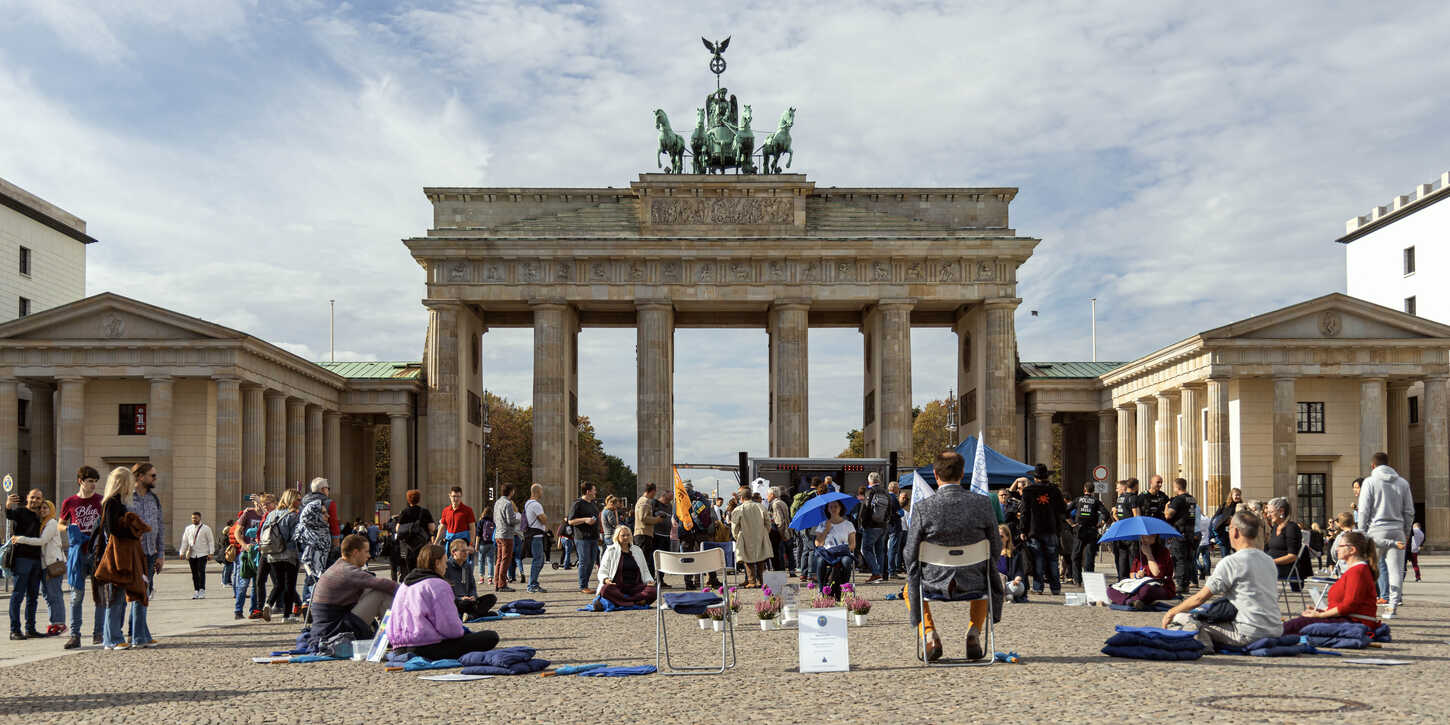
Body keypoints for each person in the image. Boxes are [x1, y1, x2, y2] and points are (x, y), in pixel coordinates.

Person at [905, 451, 1003, 662]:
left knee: (908, 589)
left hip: (934, 581)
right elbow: (996, 545)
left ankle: (930, 634)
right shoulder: (983, 504)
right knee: (987, 576)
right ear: (962, 474)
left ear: (935, 474)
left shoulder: (923, 508)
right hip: (974, 580)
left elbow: (909, 552)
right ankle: (974, 632)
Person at [1163, 510, 1282, 651]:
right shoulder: (1268, 561)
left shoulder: (1232, 562)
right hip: (1275, 630)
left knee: (1183, 618)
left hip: (1248, 631)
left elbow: (1200, 598)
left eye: (1229, 528)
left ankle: (1203, 646)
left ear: (1235, 532)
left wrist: (1172, 612)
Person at [390, 544, 499, 660]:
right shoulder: (438, 584)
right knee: (490, 637)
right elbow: (450, 628)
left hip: (399, 646)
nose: (446, 566)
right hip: (426, 646)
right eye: (444, 562)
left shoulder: (404, 585)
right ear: (437, 563)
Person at [92, 467, 152, 650]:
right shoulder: (112, 502)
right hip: (115, 556)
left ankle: (126, 637)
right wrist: (133, 528)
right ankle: (112, 639)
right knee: (115, 597)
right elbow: (113, 530)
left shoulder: (118, 502)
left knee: (126, 594)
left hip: (123, 555)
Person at [308, 534, 398, 651]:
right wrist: (410, 592)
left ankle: (391, 635)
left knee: (374, 590)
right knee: (380, 593)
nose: (369, 555)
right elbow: (385, 584)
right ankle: (396, 636)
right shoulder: (347, 571)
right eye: (366, 552)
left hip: (325, 628)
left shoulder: (338, 566)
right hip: (334, 630)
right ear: (355, 552)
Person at [1281, 530, 1380, 635]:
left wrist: (1320, 615)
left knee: (1296, 625)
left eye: (1340, 546)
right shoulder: (1355, 570)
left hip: (1354, 622)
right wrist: (1321, 611)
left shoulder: (1358, 571)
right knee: (1299, 622)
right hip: (1348, 619)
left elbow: (1349, 605)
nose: (1337, 549)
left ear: (1352, 550)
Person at [1358, 452, 1415, 618]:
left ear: (1373, 466)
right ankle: (1392, 607)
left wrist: (1362, 531)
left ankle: (1365, 606)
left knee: (1368, 569)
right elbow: (1409, 511)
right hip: (1397, 529)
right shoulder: (1403, 483)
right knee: (1396, 570)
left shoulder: (1369, 482)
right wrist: (1404, 532)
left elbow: (1363, 510)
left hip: (1375, 530)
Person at [59, 465, 104, 648]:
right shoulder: (70, 502)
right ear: (80, 481)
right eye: (89, 481)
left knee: (99, 595)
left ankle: (99, 633)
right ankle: (75, 634)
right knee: (76, 595)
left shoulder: (101, 501)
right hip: (78, 552)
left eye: (95, 481)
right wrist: (71, 529)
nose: (92, 485)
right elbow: (60, 524)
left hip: (96, 552)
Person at [1019, 464, 1067, 596]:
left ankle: (1038, 587)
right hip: (1051, 529)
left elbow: (1024, 512)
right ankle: (1055, 588)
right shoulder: (1054, 490)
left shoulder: (1028, 491)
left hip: (1034, 529)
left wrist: (1022, 530)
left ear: (1035, 477)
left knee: (1038, 559)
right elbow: (1063, 509)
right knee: (1052, 560)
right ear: (1047, 476)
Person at [5, 488, 47, 640]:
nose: (35, 500)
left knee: (33, 596)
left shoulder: (41, 516)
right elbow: (9, 514)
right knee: (18, 595)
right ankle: (14, 630)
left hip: (36, 560)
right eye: (33, 497)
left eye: (38, 498)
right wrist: (8, 504)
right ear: (28, 498)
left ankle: (30, 628)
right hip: (22, 559)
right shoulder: (21, 512)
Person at [260, 489, 303, 624]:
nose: (300, 502)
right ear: (291, 500)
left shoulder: (271, 514)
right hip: (289, 554)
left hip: (272, 554)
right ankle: (287, 615)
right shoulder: (294, 516)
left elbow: (263, 533)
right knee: (290, 586)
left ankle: (268, 604)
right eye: (298, 499)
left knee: (278, 584)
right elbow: (295, 537)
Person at [298, 477, 339, 611]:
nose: (328, 490)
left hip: (307, 539)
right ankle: (322, 601)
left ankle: (306, 599)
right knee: (324, 571)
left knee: (310, 570)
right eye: (328, 488)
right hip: (322, 540)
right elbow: (333, 524)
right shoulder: (328, 502)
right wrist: (336, 542)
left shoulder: (303, 501)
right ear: (323, 489)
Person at [1106, 534, 1176, 609]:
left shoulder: (1163, 551)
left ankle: (1123, 600)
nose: (1142, 539)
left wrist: (1149, 555)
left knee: (1145, 590)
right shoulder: (1140, 551)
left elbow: (1157, 574)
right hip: (1138, 584)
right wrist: (1137, 575)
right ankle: (1130, 601)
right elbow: (1132, 574)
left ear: (1154, 537)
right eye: (1141, 536)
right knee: (1110, 589)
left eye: (1145, 536)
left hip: (1160, 586)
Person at [596, 527, 657, 607]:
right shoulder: (611, 551)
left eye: (628, 535)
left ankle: (622, 602)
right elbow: (602, 570)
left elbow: (645, 570)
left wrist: (649, 581)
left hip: (635, 586)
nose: (626, 537)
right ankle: (634, 602)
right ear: (617, 537)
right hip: (617, 586)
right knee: (605, 589)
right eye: (623, 535)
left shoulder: (637, 550)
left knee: (652, 591)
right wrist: (606, 579)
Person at [435, 486, 477, 598]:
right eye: (453, 496)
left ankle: (465, 591)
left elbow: (472, 528)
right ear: (449, 496)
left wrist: (471, 544)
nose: (456, 499)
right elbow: (442, 528)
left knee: (464, 567)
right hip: (449, 543)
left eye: (458, 496)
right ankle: (448, 592)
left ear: (461, 496)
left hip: (462, 543)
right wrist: (435, 542)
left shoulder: (468, 510)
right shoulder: (446, 510)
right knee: (446, 566)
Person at [728, 483, 771, 588]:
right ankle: (762, 581)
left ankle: (751, 581)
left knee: (747, 560)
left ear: (741, 498)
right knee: (761, 559)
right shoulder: (761, 507)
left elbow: (734, 527)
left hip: (745, 536)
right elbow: (768, 523)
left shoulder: (738, 509)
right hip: (760, 535)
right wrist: (765, 532)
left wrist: (737, 536)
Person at [444, 539, 497, 620]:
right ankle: (477, 614)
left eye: (467, 551)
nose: (466, 553)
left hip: (469, 600)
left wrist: (473, 596)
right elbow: (445, 592)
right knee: (464, 603)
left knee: (492, 598)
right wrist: (460, 598)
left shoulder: (467, 566)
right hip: (456, 601)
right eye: (463, 551)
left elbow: (472, 585)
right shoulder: (446, 567)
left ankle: (472, 615)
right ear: (454, 552)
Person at [1264, 497, 1310, 587]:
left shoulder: (1291, 528)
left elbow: (1292, 556)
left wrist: (1271, 562)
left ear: (1281, 511)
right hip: (1272, 566)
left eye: (1270, 512)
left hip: (1285, 568)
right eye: (1267, 512)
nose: (1268, 515)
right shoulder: (1275, 528)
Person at [1164, 478, 1199, 592]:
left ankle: (1181, 584)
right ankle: (1186, 584)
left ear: (1177, 487)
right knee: (1188, 559)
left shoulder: (1178, 500)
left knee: (1178, 559)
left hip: (1179, 532)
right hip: (1190, 532)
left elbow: (1168, 515)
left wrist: (1166, 507)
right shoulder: (1191, 499)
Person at [566, 482, 602, 593]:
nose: (596, 492)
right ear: (588, 491)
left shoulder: (593, 504)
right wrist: (585, 520)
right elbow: (570, 521)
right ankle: (583, 586)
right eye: (594, 490)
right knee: (584, 561)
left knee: (592, 562)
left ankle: (585, 584)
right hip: (582, 537)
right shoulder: (577, 503)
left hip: (593, 537)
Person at [813, 500, 857, 589]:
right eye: (831, 507)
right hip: (827, 554)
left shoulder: (848, 524)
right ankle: (821, 590)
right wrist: (826, 530)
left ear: (840, 508)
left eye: (836, 506)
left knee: (846, 561)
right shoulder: (822, 524)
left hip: (843, 553)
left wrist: (841, 549)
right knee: (820, 561)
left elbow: (852, 544)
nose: (833, 509)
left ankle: (844, 588)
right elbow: (818, 543)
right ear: (828, 509)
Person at [394, 489, 436, 579]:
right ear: (419, 499)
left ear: (408, 499)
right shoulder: (424, 512)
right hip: (422, 545)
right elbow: (432, 527)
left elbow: (398, 528)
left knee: (409, 568)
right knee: (422, 567)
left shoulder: (404, 512)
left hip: (408, 546)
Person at [859, 472, 892, 583]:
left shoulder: (870, 492)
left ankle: (876, 573)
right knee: (880, 551)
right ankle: (880, 573)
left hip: (871, 526)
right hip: (883, 526)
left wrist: (862, 522)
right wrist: (885, 522)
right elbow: (890, 510)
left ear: (869, 481)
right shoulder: (886, 493)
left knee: (865, 549)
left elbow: (866, 508)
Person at [1071, 482, 1106, 580]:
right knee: (1089, 556)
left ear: (1084, 489)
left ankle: (1077, 579)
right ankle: (1089, 580)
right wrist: (1100, 524)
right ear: (1093, 490)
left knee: (1076, 555)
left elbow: (1065, 511)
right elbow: (1106, 514)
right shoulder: (1096, 501)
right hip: (1091, 531)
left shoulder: (1078, 500)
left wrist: (1071, 523)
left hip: (1079, 530)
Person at [178, 511, 215, 600]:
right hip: (192, 554)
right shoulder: (188, 528)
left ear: (200, 518)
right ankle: (196, 590)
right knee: (194, 573)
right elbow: (185, 541)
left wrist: (211, 552)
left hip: (203, 554)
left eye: (196, 518)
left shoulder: (206, 528)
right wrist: (182, 552)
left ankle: (202, 590)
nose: (194, 519)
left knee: (201, 572)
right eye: (193, 518)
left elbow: (210, 541)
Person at [493, 485, 520, 592]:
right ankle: (502, 584)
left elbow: (495, 518)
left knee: (499, 559)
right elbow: (510, 520)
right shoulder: (508, 503)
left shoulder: (497, 502)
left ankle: (497, 582)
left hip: (498, 534)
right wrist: (519, 519)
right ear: (511, 491)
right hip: (507, 535)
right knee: (506, 559)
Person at [524, 483, 550, 593]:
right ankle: (532, 585)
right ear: (537, 492)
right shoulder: (536, 505)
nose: (542, 493)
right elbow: (543, 519)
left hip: (533, 535)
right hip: (536, 537)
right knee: (538, 560)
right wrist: (545, 518)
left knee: (540, 560)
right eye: (541, 491)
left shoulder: (527, 503)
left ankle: (533, 583)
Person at [997, 523, 1028, 603]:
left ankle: (1004, 595)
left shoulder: (1015, 553)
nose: (998, 539)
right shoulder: (990, 553)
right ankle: (1007, 596)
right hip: (994, 583)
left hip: (1008, 584)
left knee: (1019, 587)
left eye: (1001, 536)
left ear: (1007, 538)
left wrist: (1017, 579)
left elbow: (1020, 570)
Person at [1211, 487, 1243, 561]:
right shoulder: (1224, 505)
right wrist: (1212, 536)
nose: (1238, 496)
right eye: (1236, 495)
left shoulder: (1242, 506)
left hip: (1237, 535)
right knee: (1225, 557)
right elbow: (1214, 519)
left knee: (1238, 556)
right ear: (1231, 495)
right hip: (1224, 535)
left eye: (1239, 495)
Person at [766, 486, 792, 574]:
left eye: (768, 494)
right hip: (783, 531)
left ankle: (778, 574)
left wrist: (781, 534)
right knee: (781, 554)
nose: (767, 496)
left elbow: (779, 521)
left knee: (777, 555)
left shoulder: (775, 504)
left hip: (777, 533)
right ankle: (781, 573)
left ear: (772, 495)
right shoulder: (782, 502)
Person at [886, 480, 906, 579]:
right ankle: (892, 571)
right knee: (893, 550)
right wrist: (901, 512)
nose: (899, 490)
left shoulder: (886, 497)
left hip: (888, 526)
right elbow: (900, 512)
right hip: (895, 526)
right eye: (898, 488)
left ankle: (888, 570)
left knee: (889, 549)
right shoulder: (893, 498)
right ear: (894, 489)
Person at [475, 504, 496, 589]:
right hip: (491, 543)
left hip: (482, 544)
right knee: (490, 561)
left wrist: (476, 545)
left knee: (481, 561)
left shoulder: (481, 521)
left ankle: (481, 578)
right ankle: (490, 578)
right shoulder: (493, 521)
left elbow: (478, 534)